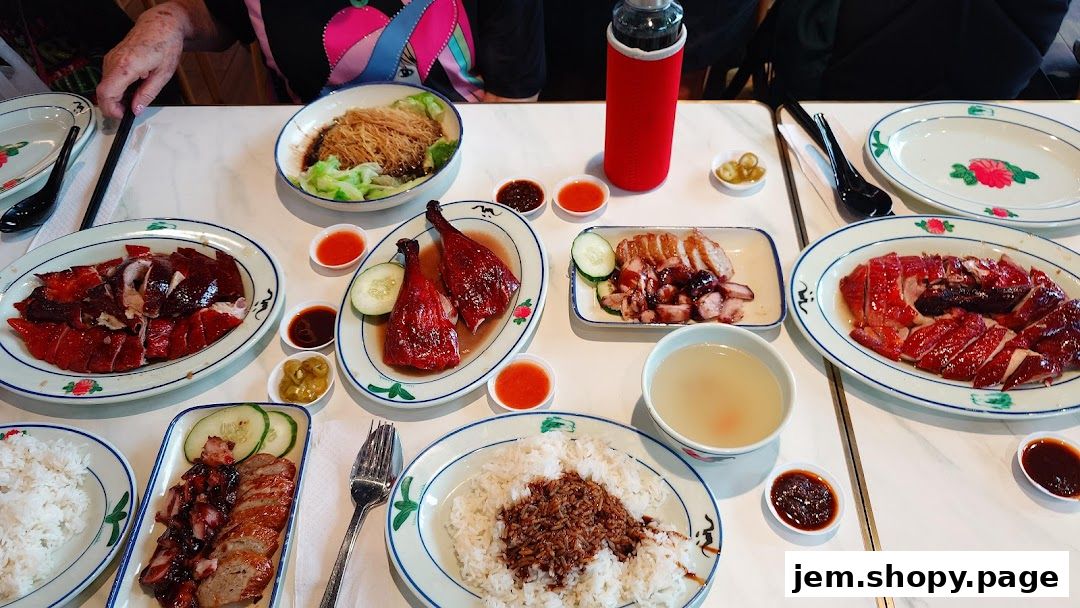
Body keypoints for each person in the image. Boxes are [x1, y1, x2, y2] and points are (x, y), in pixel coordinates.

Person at [96, 0, 546, 119]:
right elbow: (223, 16)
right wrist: (168, 21)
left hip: (460, 150)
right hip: (314, 164)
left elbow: (513, 101)